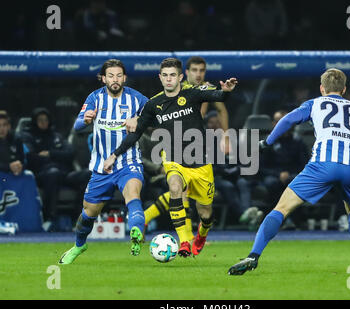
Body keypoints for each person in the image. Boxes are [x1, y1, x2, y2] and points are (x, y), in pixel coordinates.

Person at [228, 68, 350, 276]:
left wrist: (267, 142)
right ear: (344, 89)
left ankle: (253, 256)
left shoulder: (314, 103)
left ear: (322, 88)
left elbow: (287, 120)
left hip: (321, 165)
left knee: (282, 208)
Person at [104, 57, 237, 257]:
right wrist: (115, 154)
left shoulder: (192, 93)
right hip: (174, 158)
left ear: (180, 77)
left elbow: (219, 97)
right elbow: (136, 133)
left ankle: (202, 233)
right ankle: (184, 241)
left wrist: (226, 91)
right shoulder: (154, 104)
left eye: (173, 75)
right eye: (165, 75)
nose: (168, 79)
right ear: (160, 77)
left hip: (200, 162)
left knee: (205, 213)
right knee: (175, 187)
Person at [58, 59, 148, 264]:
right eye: (110, 76)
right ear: (103, 78)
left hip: (128, 161)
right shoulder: (94, 98)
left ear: (124, 78)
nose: (115, 80)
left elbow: (156, 116)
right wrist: (86, 119)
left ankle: (135, 233)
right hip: (101, 168)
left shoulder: (137, 99)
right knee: (88, 214)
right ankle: (79, 245)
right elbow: (77, 125)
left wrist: (139, 120)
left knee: (133, 194)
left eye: (119, 76)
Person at [142, 56, 232, 240]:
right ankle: (187, 238)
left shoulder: (203, 89)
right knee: (179, 190)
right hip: (173, 145)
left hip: (196, 147)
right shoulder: (179, 90)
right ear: (186, 73)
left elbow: (221, 108)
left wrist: (226, 136)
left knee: (191, 196)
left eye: (202, 71)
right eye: (194, 70)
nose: (198, 74)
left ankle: (147, 216)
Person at [21, 107, 74, 229]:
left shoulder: (56, 136)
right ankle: (49, 218)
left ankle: (79, 219)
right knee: (52, 173)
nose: (43, 122)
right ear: (34, 121)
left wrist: (50, 154)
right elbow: (32, 158)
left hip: (63, 172)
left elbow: (70, 153)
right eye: (40, 120)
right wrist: (58, 157)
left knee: (87, 175)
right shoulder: (27, 136)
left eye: (46, 119)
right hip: (41, 174)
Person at [0, 111, 42, 232]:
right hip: (2, 174)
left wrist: (20, 166)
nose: (1, 129)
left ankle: (30, 222)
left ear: (8, 126)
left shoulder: (16, 139)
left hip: (13, 175)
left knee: (29, 176)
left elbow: (23, 159)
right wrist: (8, 166)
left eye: (4, 125)